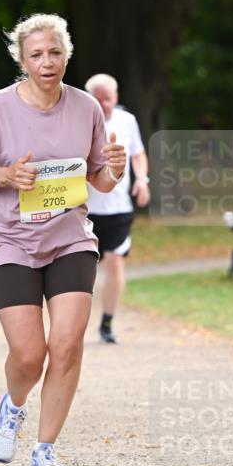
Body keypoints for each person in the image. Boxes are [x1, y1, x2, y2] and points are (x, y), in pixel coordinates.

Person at [0, 14, 126, 466]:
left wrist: (116, 169)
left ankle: (45, 450)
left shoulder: (87, 107)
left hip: (70, 236)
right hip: (8, 237)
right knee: (29, 354)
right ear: (22, 60)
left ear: (67, 53)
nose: (47, 62)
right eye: (36, 55)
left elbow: (100, 181)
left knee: (66, 346)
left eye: (55, 52)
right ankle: (13, 406)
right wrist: (7, 176)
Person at [84, 73, 150, 343]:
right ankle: (74, 324)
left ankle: (107, 324)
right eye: (98, 100)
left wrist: (143, 180)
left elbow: (138, 153)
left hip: (119, 208)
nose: (104, 105)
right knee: (82, 269)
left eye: (107, 99)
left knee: (114, 261)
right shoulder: (79, 122)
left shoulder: (127, 121)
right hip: (84, 208)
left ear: (116, 98)